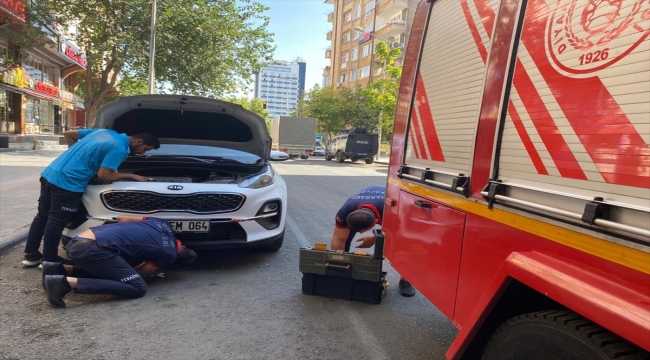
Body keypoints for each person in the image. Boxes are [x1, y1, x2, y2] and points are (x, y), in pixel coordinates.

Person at [22, 129, 160, 267]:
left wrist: (78, 156)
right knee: (56, 222)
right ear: (139, 141)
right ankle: (50, 261)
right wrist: (132, 176)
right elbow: (104, 174)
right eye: (145, 149)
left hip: (50, 174)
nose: (143, 153)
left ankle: (31, 255)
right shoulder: (120, 149)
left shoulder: (104, 132)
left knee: (42, 216)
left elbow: (68, 134)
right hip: (68, 183)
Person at [42, 215, 198, 308]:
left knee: (115, 270)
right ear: (176, 259)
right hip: (91, 250)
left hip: (80, 239)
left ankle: (59, 269)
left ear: (182, 244)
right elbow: (141, 272)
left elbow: (121, 218)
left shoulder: (162, 223)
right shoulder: (169, 254)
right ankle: (64, 283)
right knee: (137, 287)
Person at [330, 186, 416, 297]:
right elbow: (338, 239)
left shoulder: (392, 210)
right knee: (343, 239)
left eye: (363, 231)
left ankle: (406, 280)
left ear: (376, 221)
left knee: (404, 244)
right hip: (368, 200)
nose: (360, 233)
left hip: (391, 205)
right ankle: (340, 270)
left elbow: (397, 232)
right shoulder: (345, 212)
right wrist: (338, 264)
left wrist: (375, 238)